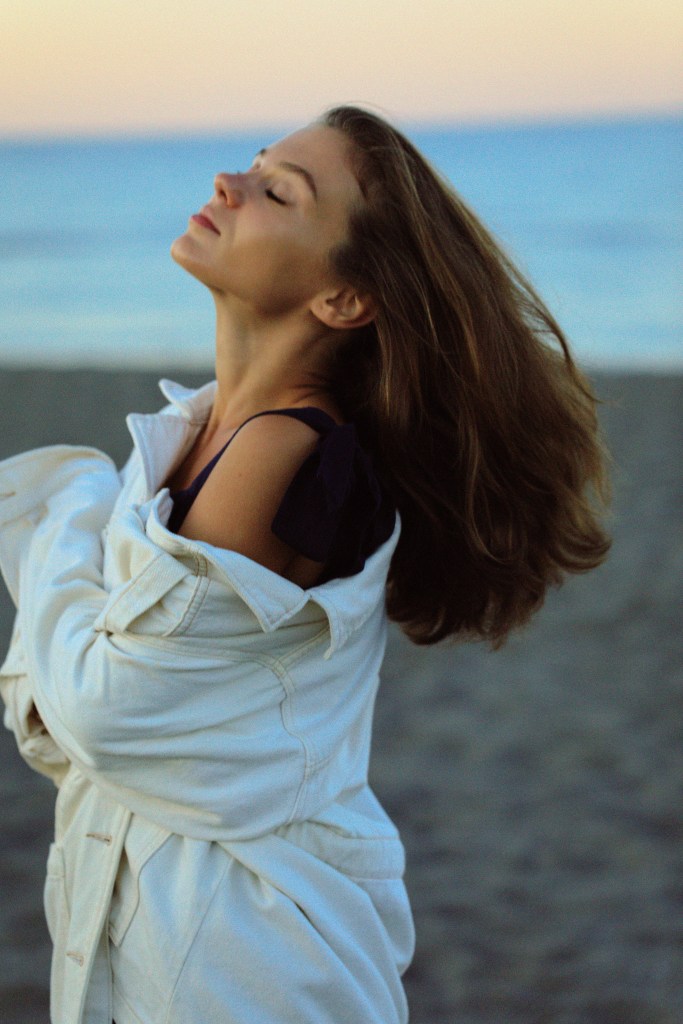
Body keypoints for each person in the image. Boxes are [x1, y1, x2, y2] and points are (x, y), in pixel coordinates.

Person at [0, 106, 610, 1023]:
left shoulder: (280, 451)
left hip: (244, 960)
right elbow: (55, 714)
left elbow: (96, 712)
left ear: (344, 299)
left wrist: (66, 499)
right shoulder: (198, 431)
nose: (228, 183)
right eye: (253, 165)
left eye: (277, 192)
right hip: (166, 933)